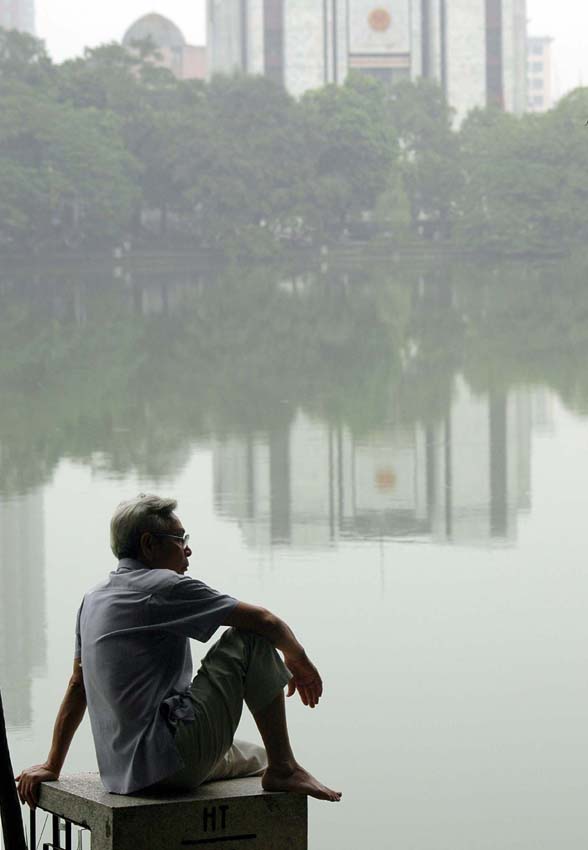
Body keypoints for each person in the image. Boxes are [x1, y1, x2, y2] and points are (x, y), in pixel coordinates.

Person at [16, 494, 341, 808]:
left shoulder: (92, 599)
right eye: (179, 538)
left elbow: (78, 684)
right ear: (149, 544)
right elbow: (264, 621)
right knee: (250, 639)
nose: (188, 549)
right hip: (171, 760)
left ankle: (278, 763)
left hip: (123, 775)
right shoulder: (163, 586)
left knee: (258, 758)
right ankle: (285, 768)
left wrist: (52, 764)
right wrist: (299, 659)